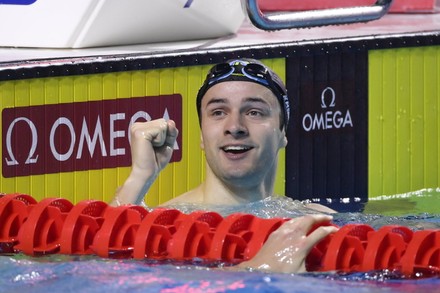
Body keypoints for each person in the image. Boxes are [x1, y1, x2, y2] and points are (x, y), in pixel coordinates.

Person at [111, 58, 337, 273]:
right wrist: (140, 176)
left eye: (254, 112)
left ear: (282, 133)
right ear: (201, 135)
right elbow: (106, 272)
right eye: (218, 113)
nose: (235, 127)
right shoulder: (170, 224)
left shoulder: (313, 221)